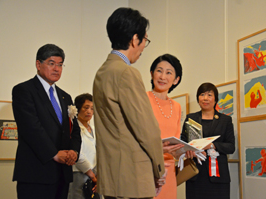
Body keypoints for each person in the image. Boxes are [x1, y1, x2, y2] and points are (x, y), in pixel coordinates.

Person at [93, 7, 165, 199]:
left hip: (111, 177)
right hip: (132, 178)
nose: (143, 47)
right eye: (145, 41)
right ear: (135, 39)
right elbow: (146, 129)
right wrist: (159, 169)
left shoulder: (102, 72)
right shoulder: (127, 73)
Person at [12, 44, 82, 199]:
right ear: (38, 64)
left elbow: (75, 130)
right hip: (35, 174)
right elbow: (31, 128)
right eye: (51, 63)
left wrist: (74, 152)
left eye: (60, 64)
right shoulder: (24, 90)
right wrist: (54, 154)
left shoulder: (66, 97)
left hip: (62, 174)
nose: (56, 69)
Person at [181, 82, 235, 199]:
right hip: (194, 176)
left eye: (209, 95)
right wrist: (189, 151)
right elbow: (183, 142)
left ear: (215, 99)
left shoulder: (225, 120)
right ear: (198, 98)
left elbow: (231, 147)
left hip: (219, 176)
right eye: (202, 94)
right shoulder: (191, 118)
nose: (205, 98)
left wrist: (211, 145)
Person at [146, 54, 184, 199]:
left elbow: (176, 140)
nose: (163, 76)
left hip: (169, 170)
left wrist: (187, 152)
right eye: (159, 71)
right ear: (152, 73)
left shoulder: (177, 106)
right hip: (147, 168)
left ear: (176, 80)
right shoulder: (142, 99)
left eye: (169, 73)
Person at [68, 93, 100, 199]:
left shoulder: (94, 128)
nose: (89, 111)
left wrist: (97, 176)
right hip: (79, 173)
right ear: (77, 109)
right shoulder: (74, 128)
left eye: (92, 108)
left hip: (96, 174)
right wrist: (92, 175)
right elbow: (78, 154)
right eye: (86, 108)